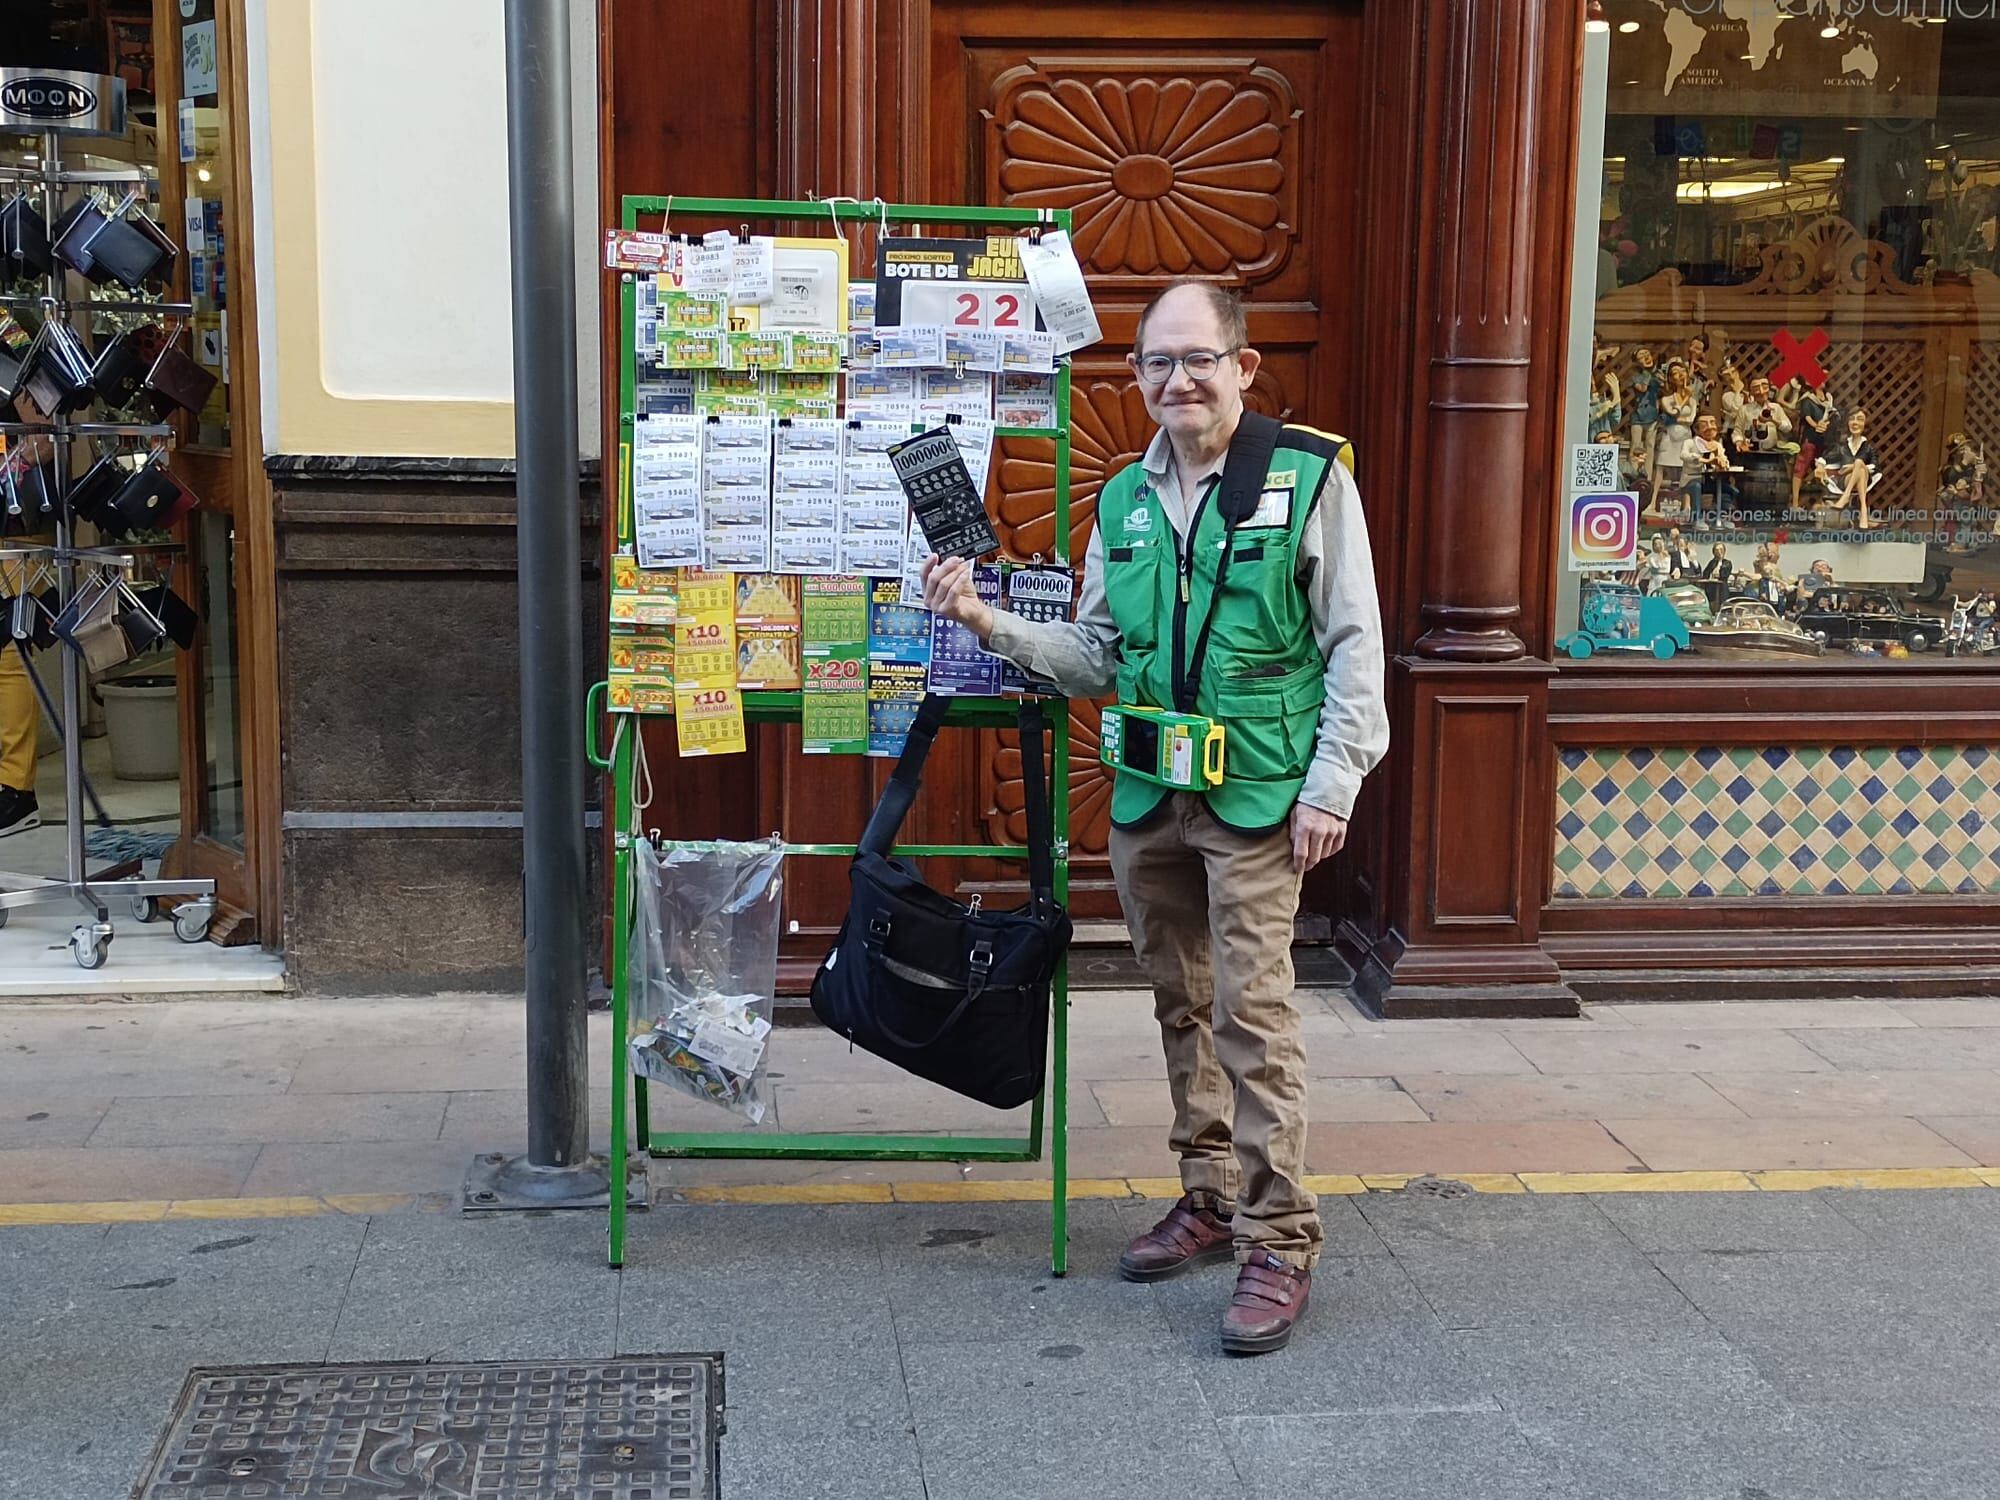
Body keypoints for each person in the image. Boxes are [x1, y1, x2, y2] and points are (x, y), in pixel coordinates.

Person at [922, 280, 1388, 1355]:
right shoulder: (1121, 502)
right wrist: (986, 619)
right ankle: (1210, 1194)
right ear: (1132, 378)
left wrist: (1333, 783)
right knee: (1179, 1003)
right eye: (1153, 364)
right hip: (1148, 792)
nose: (1176, 380)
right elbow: (1096, 652)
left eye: (1197, 359)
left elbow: (1351, 640)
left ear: (1241, 366)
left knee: (1252, 1011)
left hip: (1261, 791)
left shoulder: (1306, 475)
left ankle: (1281, 1236)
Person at [1816, 408, 1883, 529]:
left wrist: (1853, 466)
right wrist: (1820, 466)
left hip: (1863, 481)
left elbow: (1875, 466)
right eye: (1852, 419)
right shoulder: (1842, 446)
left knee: (1859, 464)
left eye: (1860, 419)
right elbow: (1825, 459)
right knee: (1860, 467)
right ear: (1847, 422)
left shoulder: (1868, 448)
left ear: (1865, 424)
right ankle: (1864, 511)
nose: (1855, 422)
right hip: (1845, 481)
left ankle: (1845, 498)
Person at [1680, 413, 1737, 527]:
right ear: (1696, 429)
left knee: (1729, 490)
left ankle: (1721, 516)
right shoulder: (1690, 443)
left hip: (1709, 480)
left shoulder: (1717, 445)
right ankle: (1697, 519)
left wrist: (1722, 462)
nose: (1710, 427)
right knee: (1696, 487)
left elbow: (1723, 459)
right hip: (1692, 480)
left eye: (1712, 423)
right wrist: (1705, 461)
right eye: (1704, 424)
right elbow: (1684, 455)